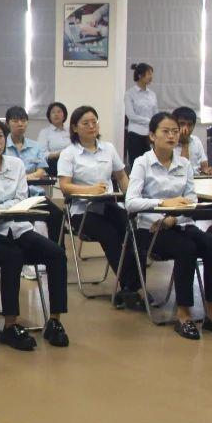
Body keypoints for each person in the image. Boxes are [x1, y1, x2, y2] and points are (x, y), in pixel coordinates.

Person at [0, 117, 70, 350]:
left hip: (18, 227)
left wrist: (0, 207)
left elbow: (21, 199)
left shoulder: (16, 164)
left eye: (0, 136)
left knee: (56, 253)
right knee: (13, 257)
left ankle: (55, 321)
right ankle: (10, 326)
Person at [127, 112, 212, 340]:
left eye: (175, 131)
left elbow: (191, 200)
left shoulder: (184, 164)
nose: (172, 136)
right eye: (165, 131)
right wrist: (162, 204)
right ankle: (184, 315)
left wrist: (174, 218)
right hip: (151, 229)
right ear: (152, 135)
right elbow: (131, 202)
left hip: (180, 224)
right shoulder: (142, 163)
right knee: (186, 249)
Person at [56, 105, 144, 310]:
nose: (91, 126)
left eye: (94, 122)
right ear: (75, 128)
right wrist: (90, 190)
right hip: (82, 211)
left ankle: (133, 287)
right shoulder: (69, 153)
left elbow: (121, 176)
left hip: (108, 205)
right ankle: (130, 288)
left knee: (132, 230)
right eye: (85, 123)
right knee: (110, 234)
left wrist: (132, 198)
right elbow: (65, 186)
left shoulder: (108, 148)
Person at [5, 105, 64, 243]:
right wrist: (26, 177)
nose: (20, 124)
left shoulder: (35, 146)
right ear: (7, 124)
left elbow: (41, 171)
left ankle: (57, 251)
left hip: (33, 197)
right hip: (11, 198)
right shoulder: (2, 146)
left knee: (57, 215)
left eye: (23, 120)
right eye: (15, 121)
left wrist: (23, 178)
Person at [124, 62, 157, 168]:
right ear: (140, 75)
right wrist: (148, 121)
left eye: (151, 74)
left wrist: (155, 124)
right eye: (149, 74)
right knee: (136, 164)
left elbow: (155, 114)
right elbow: (131, 115)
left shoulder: (152, 94)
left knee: (150, 164)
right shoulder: (129, 94)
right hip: (135, 133)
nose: (151, 77)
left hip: (149, 134)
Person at [170, 106, 212, 175]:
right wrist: (185, 144)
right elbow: (183, 172)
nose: (185, 128)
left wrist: (207, 171)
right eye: (182, 124)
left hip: (197, 178)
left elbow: (204, 166)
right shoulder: (167, 143)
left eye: (189, 125)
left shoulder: (196, 140)